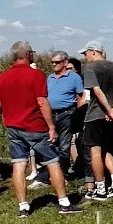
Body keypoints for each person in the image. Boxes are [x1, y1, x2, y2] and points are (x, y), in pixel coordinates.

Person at [0, 41, 81, 218]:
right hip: (35, 126)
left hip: (13, 126)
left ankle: (23, 206)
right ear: (28, 55)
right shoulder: (36, 75)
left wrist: (9, 113)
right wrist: (51, 127)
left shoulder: (3, 77)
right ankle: (64, 202)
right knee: (53, 162)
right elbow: (42, 102)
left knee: (19, 164)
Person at [78, 40, 113, 200]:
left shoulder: (90, 68)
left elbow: (97, 92)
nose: (85, 57)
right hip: (110, 116)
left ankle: (100, 187)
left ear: (93, 51)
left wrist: (108, 110)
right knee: (106, 150)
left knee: (95, 152)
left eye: (85, 53)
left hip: (95, 115)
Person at [33, 51, 85, 188]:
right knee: (49, 145)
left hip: (67, 114)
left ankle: (63, 175)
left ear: (65, 63)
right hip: (50, 115)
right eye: (52, 62)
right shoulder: (50, 78)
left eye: (57, 62)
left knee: (64, 146)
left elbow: (81, 98)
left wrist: (78, 115)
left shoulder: (74, 78)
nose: (54, 65)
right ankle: (47, 175)